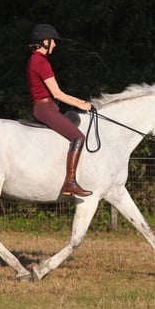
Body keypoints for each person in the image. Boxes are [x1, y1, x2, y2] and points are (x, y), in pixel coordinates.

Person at [26, 23, 93, 197]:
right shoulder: (40, 62)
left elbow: (57, 93)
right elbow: (57, 93)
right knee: (78, 137)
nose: (55, 45)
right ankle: (70, 182)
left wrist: (82, 101)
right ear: (45, 42)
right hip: (45, 108)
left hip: (47, 106)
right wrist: (80, 105)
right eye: (53, 41)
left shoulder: (37, 60)